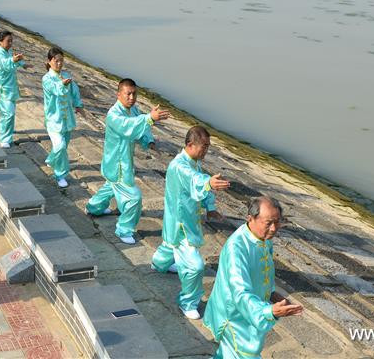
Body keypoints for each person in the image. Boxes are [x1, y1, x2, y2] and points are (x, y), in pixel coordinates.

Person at [203, 197, 303, 358]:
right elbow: (240, 292)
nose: (273, 228)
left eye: (277, 222)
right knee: (247, 353)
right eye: (268, 223)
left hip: (251, 307)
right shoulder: (237, 249)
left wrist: (271, 293)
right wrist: (268, 311)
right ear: (251, 218)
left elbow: (266, 271)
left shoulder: (263, 239)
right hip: (235, 314)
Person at [151, 126, 231, 319]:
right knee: (195, 266)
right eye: (204, 147)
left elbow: (197, 180)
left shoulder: (193, 163)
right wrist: (208, 184)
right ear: (189, 145)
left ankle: (158, 264)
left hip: (183, 218)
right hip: (181, 224)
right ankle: (188, 302)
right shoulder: (180, 166)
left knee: (170, 246)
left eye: (207, 147)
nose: (206, 151)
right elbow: (194, 180)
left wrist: (210, 207)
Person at [85, 78, 170, 244]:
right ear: (119, 94)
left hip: (124, 161)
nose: (131, 97)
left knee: (111, 186)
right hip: (117, 164)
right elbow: (129, 127)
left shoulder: (134, 110)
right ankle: (124, 229)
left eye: (134, 94)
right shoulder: (114, 115)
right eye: (128, 94)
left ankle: (93, 208)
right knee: (134, 197)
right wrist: (149, 118)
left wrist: (148, 141)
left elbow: (141, 128)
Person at [42, 46, 84, 187]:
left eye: (61, 61)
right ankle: (60, 175)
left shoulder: (66, 75)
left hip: (67, 119)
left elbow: (75, 91)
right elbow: (55, 89)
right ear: (49, 61)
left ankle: (51, 159)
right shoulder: (47, 79)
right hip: (54, 120)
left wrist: (78, 105)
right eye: (56, 61)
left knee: (63, 147)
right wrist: (62, 84)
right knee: (59, 146)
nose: (59, 64)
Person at [0, 30, 25, 148]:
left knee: (8, 113)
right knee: (8, 113)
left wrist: (21, 63)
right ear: (0, 41)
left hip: (10, 87)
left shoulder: (7, 51)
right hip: (3, 89)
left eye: (11, 41)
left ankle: (5, 130)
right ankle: (4, 139)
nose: (10, 43)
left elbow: (12, 62)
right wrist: (13, 60)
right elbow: (5, 65)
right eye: (8, 41)